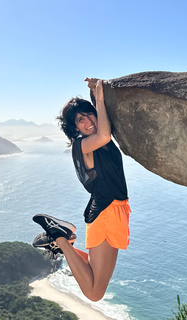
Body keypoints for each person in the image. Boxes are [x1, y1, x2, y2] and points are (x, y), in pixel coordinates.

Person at [32, 78, 130, 302]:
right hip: (106, 213)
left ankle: (60, 240)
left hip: (113, 211)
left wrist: (96, 94)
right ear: (74, 128)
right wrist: (100, 98)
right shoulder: (83, 145)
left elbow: (106, 131)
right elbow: (105, 134)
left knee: (94, 273)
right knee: (95, 293)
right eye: (80, 119)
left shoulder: (101, 141)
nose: (87, 121)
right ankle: (60, 237)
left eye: (89, 114)